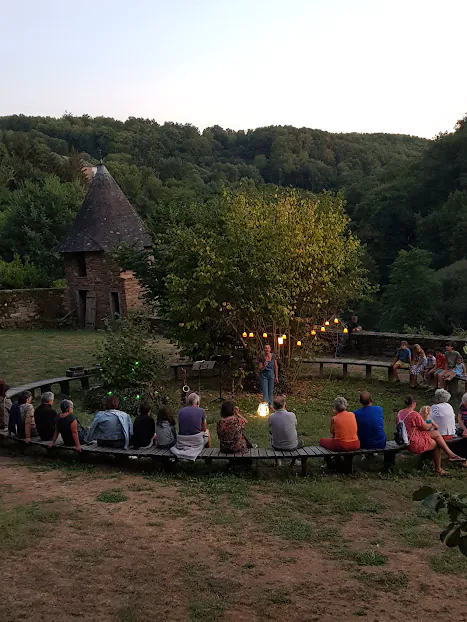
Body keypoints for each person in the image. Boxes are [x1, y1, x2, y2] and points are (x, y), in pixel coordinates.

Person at [396, 395, 466, 475]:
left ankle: (451, 455)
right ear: (414, 403)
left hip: (404, 438)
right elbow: (425, 427)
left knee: (436, 434)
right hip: (413, 441)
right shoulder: (414, 414)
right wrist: (429, 421)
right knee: (437, 444)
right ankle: (438, 469)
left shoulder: (400, 413)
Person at [171, 393, 209, 461]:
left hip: (182, 441)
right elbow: (204, 429)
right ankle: (207, 458)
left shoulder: (180, 411)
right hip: (196, 441)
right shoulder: (201, 411)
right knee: (207, 432)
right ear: (198, 402)